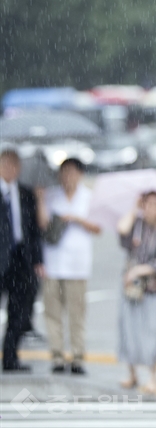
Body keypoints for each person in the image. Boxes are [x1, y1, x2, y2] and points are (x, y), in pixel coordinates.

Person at [37, 158, 101, 374]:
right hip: (53, 262)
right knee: (52, 313)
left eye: (72, 172)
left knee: (77, 313)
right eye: (64, 172)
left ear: (80, 174)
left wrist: (75, 219)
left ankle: (77, 356)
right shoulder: (52, 195)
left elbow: (97, 228)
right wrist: (39, 199)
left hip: (78, 265)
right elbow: (42, 224)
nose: (67, 177)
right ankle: (57, 355)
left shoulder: (88, 197)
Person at [117, 191, 156, 394]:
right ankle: (132, 373)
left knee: (152, 332)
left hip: (153, 289)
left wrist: (138, 270)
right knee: (128, 330)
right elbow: (121, 230)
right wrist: (135, 209)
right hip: (131, 288)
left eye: (154, 204)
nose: (150, 208)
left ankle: (152, 376)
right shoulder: (137, 226)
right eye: (147, 204)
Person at [0, 149, 43, 372]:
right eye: (6, 165)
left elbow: (34, 231)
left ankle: (10, 358)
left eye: (15, 165)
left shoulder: (26, 193)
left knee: (19, 312)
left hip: (21, 260)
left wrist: (38, 260)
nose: (11, 170)